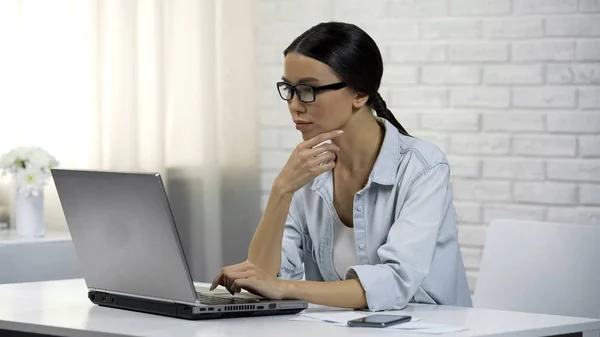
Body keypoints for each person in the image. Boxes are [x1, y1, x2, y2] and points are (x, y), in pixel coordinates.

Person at [210, 21, 472, 311]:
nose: (295, 105)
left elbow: (395, 281)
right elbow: (263, 278)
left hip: (429, 327)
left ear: (359, 95)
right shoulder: (309, 170)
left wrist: (285, 288)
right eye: (289, 89)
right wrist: (281, 190)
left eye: (308, 89)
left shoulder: (423, 168)